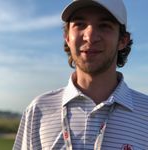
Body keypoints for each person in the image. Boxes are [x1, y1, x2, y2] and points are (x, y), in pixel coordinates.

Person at [13, 0, 148, 149]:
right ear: (67, 38)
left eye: (104, 26)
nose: (90, 37)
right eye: (80, 24)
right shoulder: (38, 110)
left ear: (122, 41)